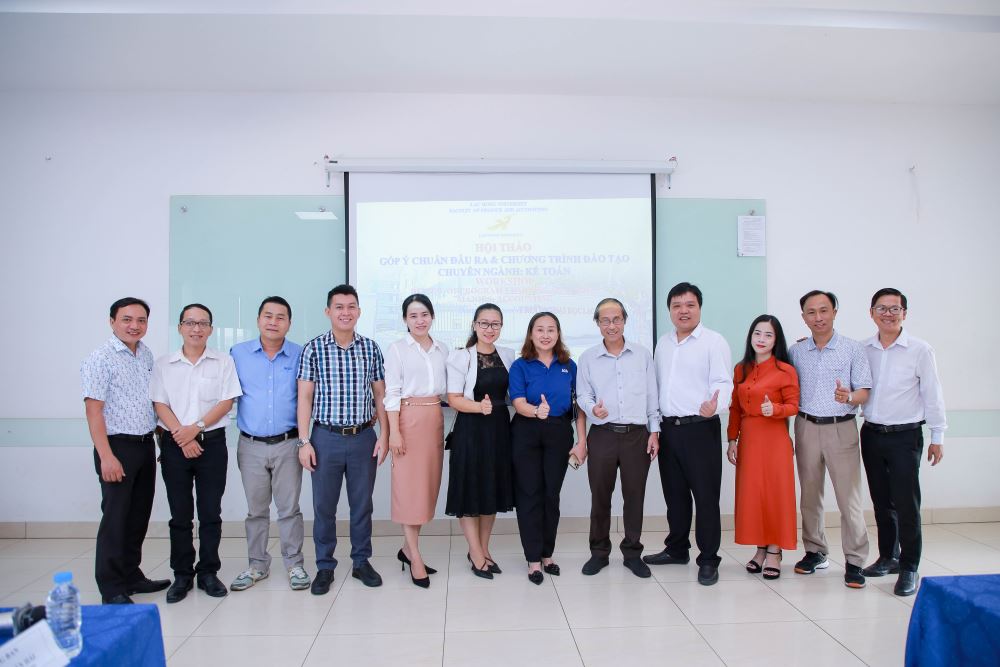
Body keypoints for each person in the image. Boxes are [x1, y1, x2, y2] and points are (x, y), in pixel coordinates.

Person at [297, 284, 389, 594]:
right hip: (325, 437)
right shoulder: (313, 349)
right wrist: (304, 441)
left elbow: (380, 396)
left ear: (359, 312)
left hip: (363, 437)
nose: (345, 312)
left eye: (351, 307)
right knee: (324, 507)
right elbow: (304, 398)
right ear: (328, 311)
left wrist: (385, 435)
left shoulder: (371, 348)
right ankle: (325, 566)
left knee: (362, 505)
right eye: (339, 307)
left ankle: (361, 561)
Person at [151, 303, 242, 603]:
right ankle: (182, 574)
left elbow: (226, 402)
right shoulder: (164, 364)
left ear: (210, 329)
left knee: (210, 513)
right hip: (174, 444)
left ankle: (208, 572)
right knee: (180, 514)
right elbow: (160, 404)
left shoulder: (223, 362)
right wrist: (182, 434)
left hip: (211, 444)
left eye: (203, 323)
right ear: (180, 327)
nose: (196, 328)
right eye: (190, 323)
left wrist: (197, 428)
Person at [81, 297, 169, 605]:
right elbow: (94, 411)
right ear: (112, 322)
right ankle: (111, 587)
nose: (135, 325)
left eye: (141, 320)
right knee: (116, 518)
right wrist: (106, 456)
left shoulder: (145, 354)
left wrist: (160, 443)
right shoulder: (100, 358)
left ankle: (132, 575)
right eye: (127, 319)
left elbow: (151, 404)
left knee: (138, 516)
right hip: (116, 446)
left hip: (144, 445)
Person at [644, 282, 732, 586]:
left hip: (700, 429)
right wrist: (655, 428)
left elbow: (723, 382)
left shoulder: (713, 342)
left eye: (690, 305)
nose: (683, 311)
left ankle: (708, 559)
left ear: (699, 308)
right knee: (675, 496)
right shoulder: (663, 343)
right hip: (669, 430)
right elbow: (656, 387)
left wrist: (715, 406)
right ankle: (677, 549)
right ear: (669, 310)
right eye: (677, 305)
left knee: (706, 498)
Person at [860, 288, 946, 596]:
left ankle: (910, 566)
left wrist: (938, 435)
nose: (888, 314)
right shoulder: (863, 349)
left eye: (894, 309)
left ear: (904, 314)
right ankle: (889, 557)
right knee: (882, 501)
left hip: (905, 436)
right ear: (871, 313)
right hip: (871, 434)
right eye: (881, 308)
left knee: (907, 503)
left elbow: (933, 393)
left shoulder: (920, 350)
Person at [789, 290, 872, 588]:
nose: (818, 317)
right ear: (803, 317)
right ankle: (815, 551)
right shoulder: (796, 351)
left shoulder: (853, 349)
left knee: (849, 499)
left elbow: (864, 391)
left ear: (834, 312)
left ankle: (855, 560)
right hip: (806, 426)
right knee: (810, 496)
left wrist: (848, 396)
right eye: (811, 312)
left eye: (824, 310)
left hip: (841, 427)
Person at [228, 296, 310, 593]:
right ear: (258, 319)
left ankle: (294, 564)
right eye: (268, 316)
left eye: (280, 317)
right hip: (250, 445)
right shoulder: (238, 354)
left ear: (289, 323)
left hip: (288, 443)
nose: (273, 322)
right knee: (256, 510)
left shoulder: (300, 354)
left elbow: (308, 398)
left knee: (289, 509)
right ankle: (257, 565)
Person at [576, 298, 660, 579]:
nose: (611, 325)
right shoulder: (587, 358)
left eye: (616, 319)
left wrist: (654, 432)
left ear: (624, 321)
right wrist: (593, 409)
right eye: (605, 320)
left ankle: (632, 553)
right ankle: (599, 553)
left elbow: (651, 396)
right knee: (600, 496)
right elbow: (583, 395)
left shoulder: (642, 355)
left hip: (637, 435)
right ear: (597, 324)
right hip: (603, 434)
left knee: (634, 496)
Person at [509, 312, 588, 585]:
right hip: (526, 431)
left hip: (558, 432)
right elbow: (518, 402)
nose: (545, 335)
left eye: (551, 330)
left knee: (551, 494)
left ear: (558, 334)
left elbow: (579, 407)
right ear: (531, 334)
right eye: (540, 330)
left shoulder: (569, 366)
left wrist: (582, 441)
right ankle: (533, 559)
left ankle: (547, 554)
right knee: (529, 493)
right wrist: (536, 411)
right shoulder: (520, 365)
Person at [726, 315, 799, 580]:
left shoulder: (785, 370)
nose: (761, 339)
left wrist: (775, 409)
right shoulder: (741, 369)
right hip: (750, 439)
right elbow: (735, 408)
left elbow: (794, 405)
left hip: (774, 438)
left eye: (768, 335)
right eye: (757, 333)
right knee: (754, 495)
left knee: (775, 494)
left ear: (776, 340)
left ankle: (774, 551)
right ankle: (760, 549)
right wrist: (732, 440)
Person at [445, 303, 516, 580]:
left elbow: (513, 393)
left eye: (495, 324)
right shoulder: (460, 357)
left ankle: (484, 549)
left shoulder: (508, 354)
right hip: (471, 430)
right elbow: (453, 398)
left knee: (491, 490)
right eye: (484, 323)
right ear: (474, 325)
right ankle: (475, 552)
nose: (489, 329)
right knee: (470, 489)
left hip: (499, 430)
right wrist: (479, 407)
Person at [383, 294, 449, 588]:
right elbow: (392, 394)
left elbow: (451, 389)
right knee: (409, 490)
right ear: (404, 320)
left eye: (424, 314)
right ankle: (415, 557)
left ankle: (407, 549)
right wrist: (394, 432)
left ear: (432, 316)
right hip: (407, 421)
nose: (419, 320)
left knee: (425, 489)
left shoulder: (442, 349)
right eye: (413, 316)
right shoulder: (397, 349)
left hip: (434, 418)